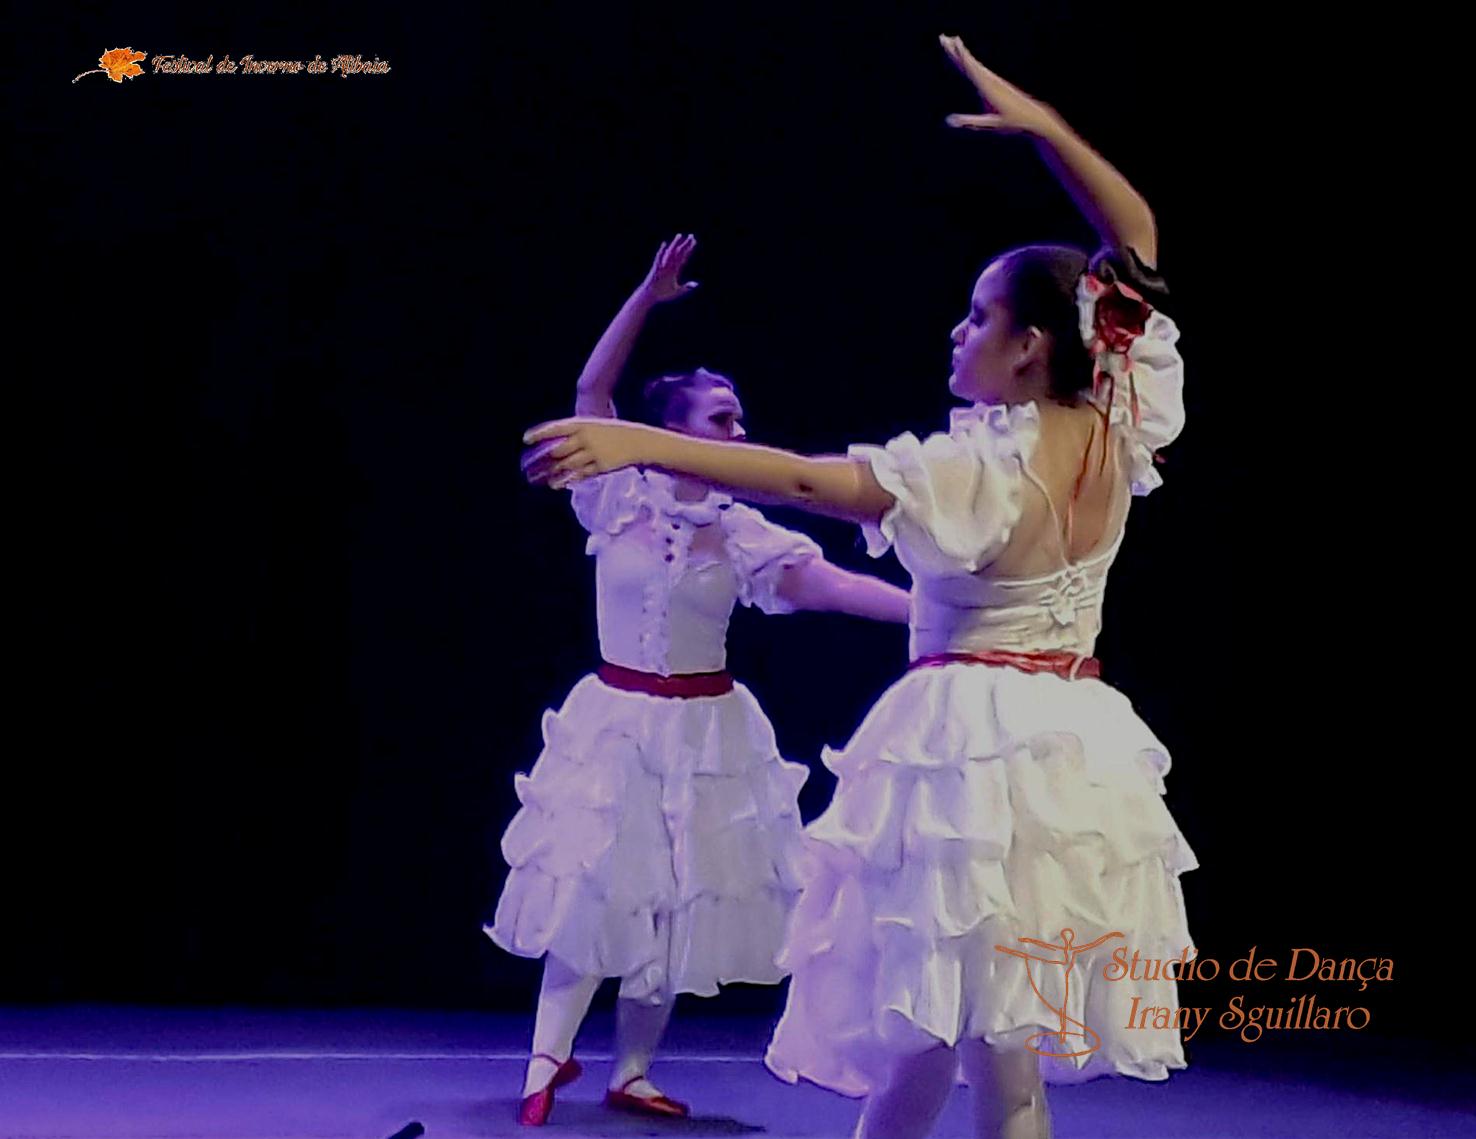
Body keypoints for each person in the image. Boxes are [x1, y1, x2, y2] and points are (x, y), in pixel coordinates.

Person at [521, 37, 1197, 1139]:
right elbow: (1137, 235)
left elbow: (809, 482)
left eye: (978, 317)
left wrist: (638, 438)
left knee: (972, 1037)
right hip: (1073, 743)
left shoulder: (986, 464)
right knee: (955, 1039)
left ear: (1030, 347)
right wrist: (1048, 132)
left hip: (973, 747)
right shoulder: (1119, 417)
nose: (959, 331)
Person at [489, 234, 910, 1126]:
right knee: (594, 884)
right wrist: (645, 296)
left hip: (706, 730)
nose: (739, 434)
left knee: (677, 898)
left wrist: (931, 614)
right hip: (616, 722)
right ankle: (544, 1059)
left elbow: (831, 584)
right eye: (722, 420)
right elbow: (591, 395)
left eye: (738, 419)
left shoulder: (742, 529)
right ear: (672, 430)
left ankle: (632, 1070)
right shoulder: (616, 497)